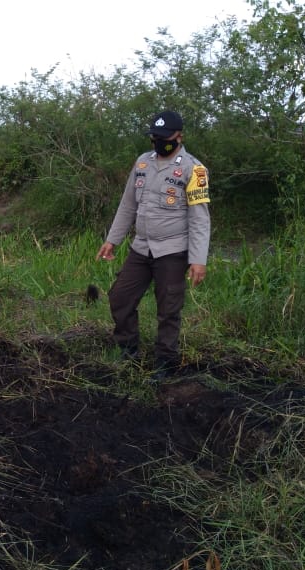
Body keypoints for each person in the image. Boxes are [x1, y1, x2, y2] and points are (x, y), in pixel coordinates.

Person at [96, 110, 211, 382]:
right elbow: (127, 205)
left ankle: (165, 363)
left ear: (179, 136)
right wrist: (112, 240)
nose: (158, 142)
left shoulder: (194, 170)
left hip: (172, 250)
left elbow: (199, 218)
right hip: (141, 247)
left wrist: (198, 259)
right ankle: (128, 350)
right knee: (120, 297)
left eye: (164, 138)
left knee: (168, 309)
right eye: (155, 137)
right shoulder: (142, 163)